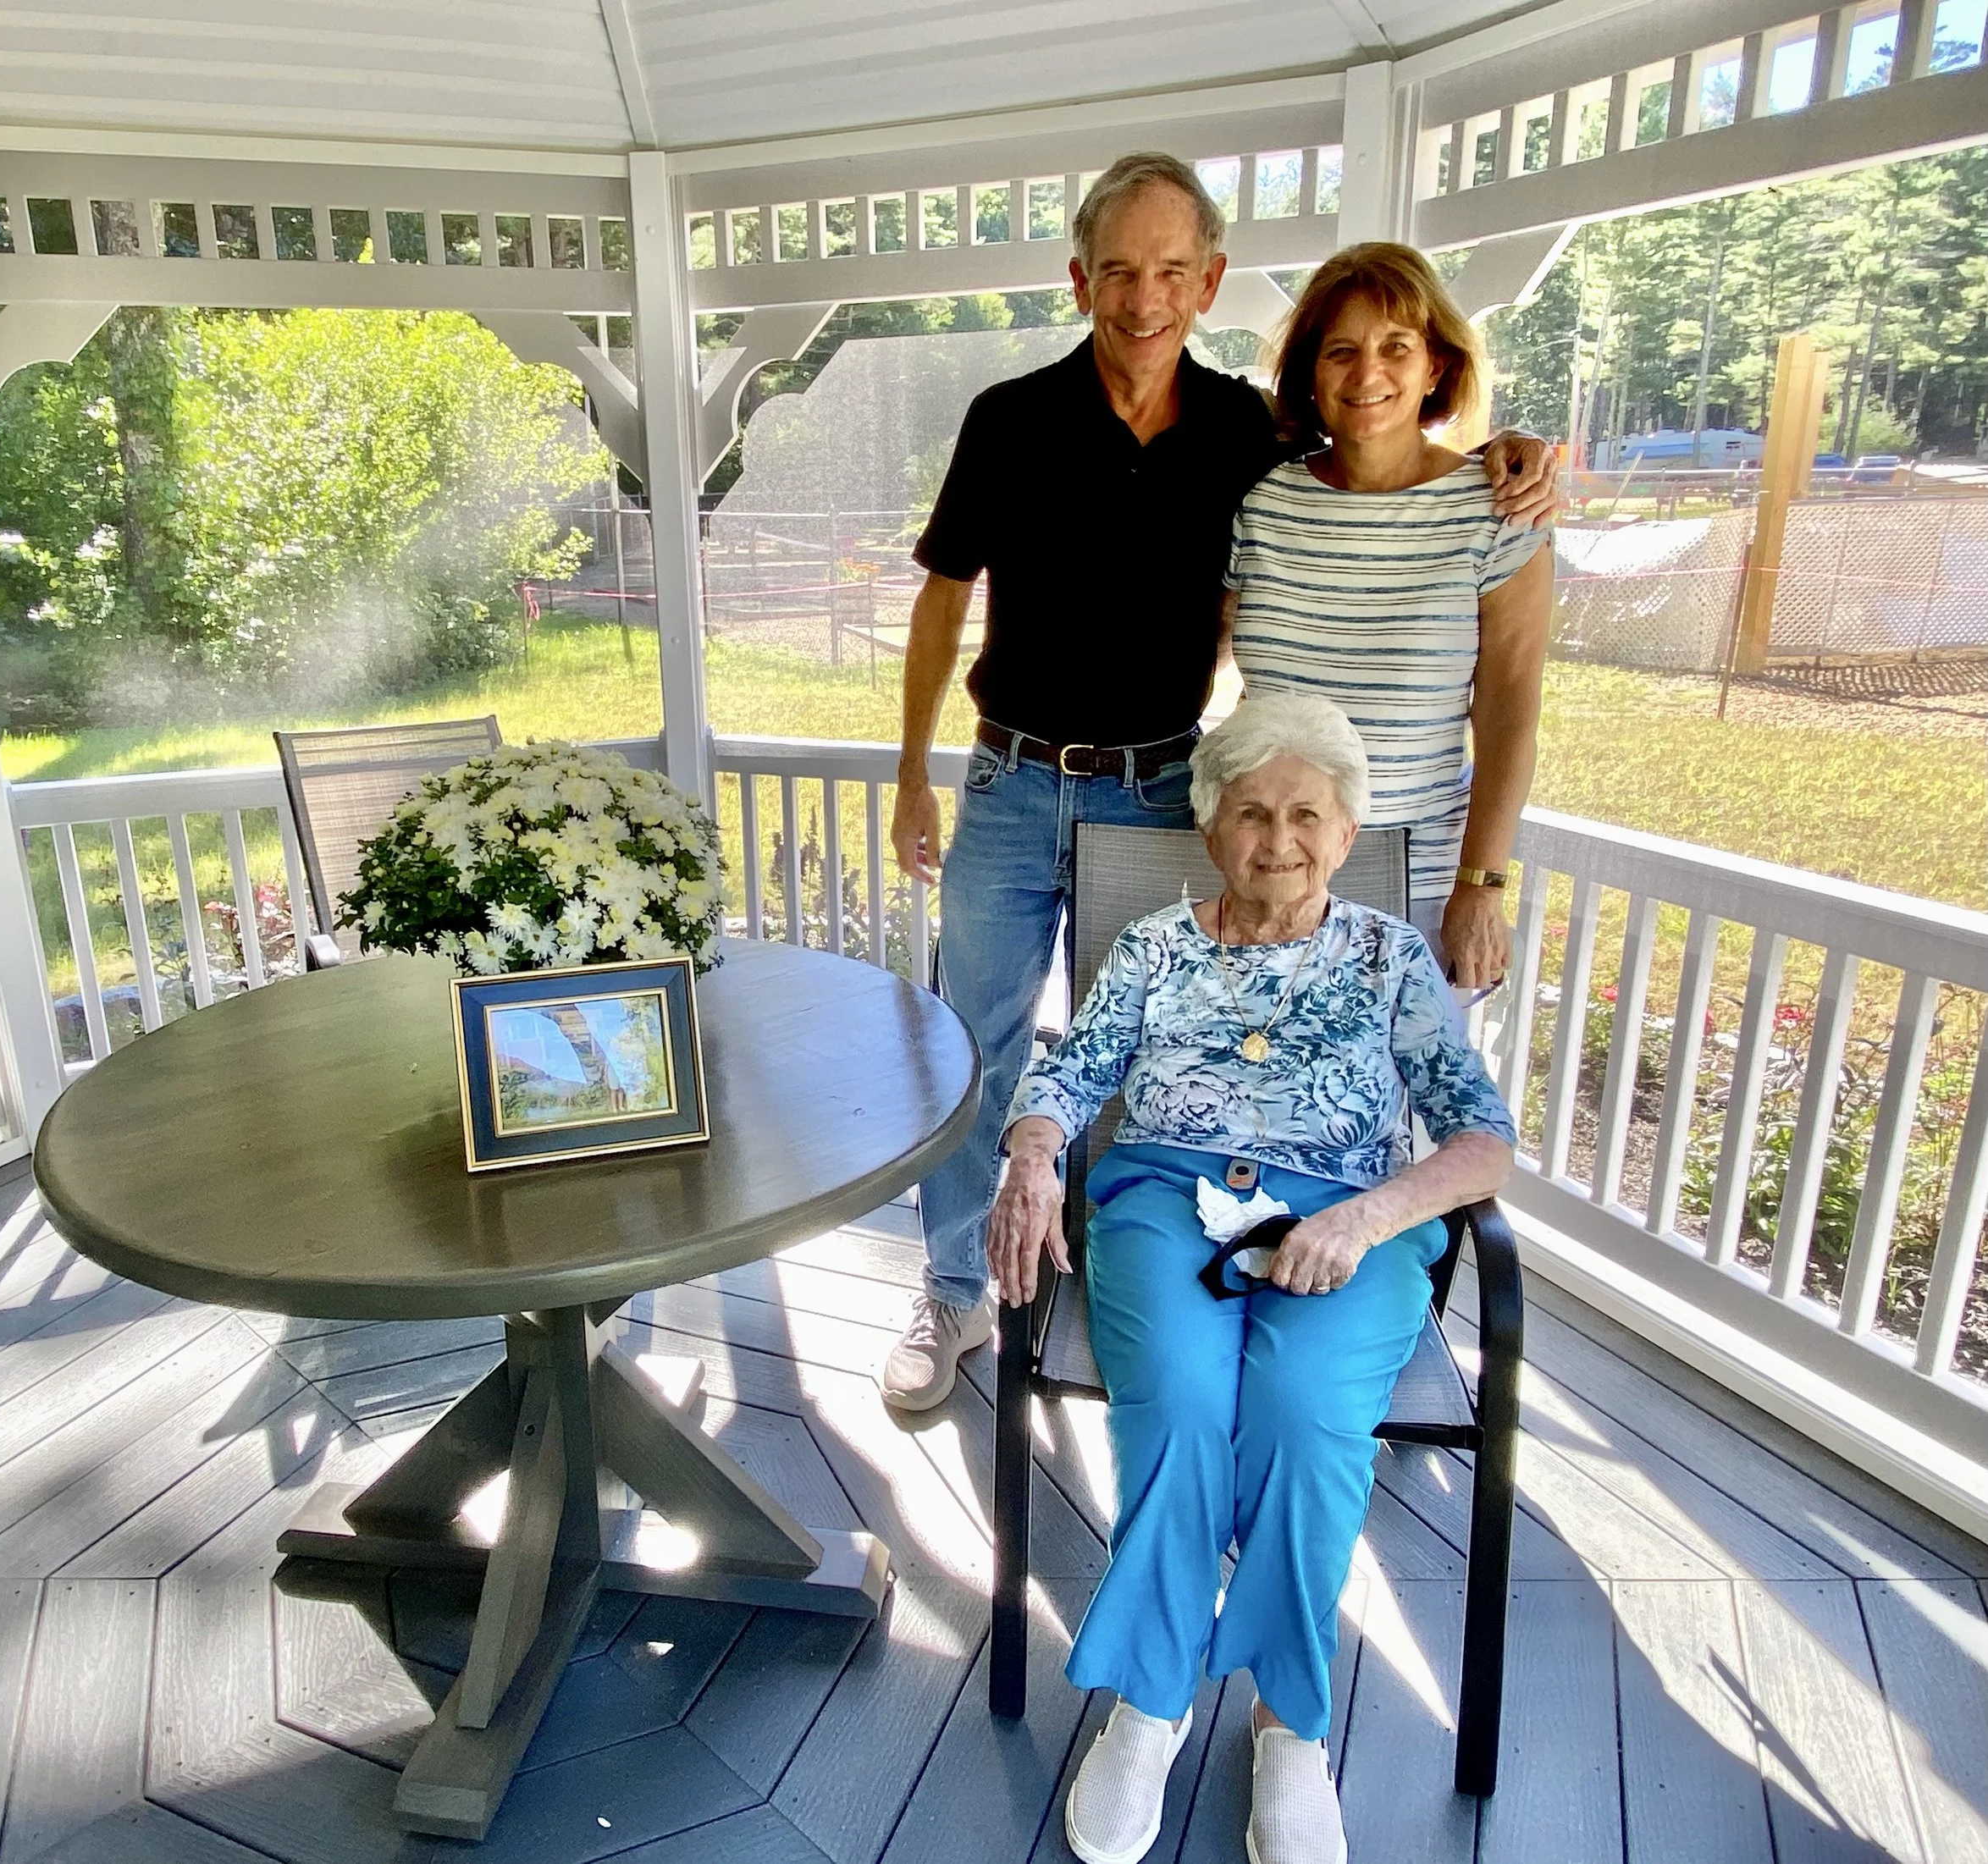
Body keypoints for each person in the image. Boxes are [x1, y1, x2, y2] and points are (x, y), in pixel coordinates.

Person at [877, 151, 1555, 1412]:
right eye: (1121, 269)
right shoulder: (1009, 417)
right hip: (1014, 784)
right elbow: (939, 600)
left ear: (1211, 282)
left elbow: (1382, 431)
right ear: (1082, 276)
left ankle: (1098, 1267)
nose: (1146, 295)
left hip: (1163, 792)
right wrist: (916, 772)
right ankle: (957, 1288)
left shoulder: (1249, 428)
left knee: (1143, 1055)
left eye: (1173, 270)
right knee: (975, 1043)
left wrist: (1507, 449)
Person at [986, 693, 1515, 1864]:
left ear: (1344, 830)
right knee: (1177, 1401)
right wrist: (1031, 1156)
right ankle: (1153, 1700)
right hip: (1167, 1201)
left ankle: (1288, 1721)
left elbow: (1483, 1139)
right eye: (1250, 812)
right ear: (1211, 824)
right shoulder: (1153, 947)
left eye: (1306, 816)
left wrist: (1375, 1215)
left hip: (1348, 1218)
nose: (1277, 839)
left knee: (1305, 1417)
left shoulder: (1388, 959)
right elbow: (1072, 1073)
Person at [1224, 240, 1556, 992]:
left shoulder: (1498, 509)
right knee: (1256, 1095)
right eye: (1340, 351)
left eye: (1395, 347)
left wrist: (1482, 884)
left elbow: (1509, 712)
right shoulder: (1266, 502)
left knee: (1400, 1104)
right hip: (1267, 867)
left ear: (1435, 365)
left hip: (1418, 878)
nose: (1367, 373)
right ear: (1311, 371)